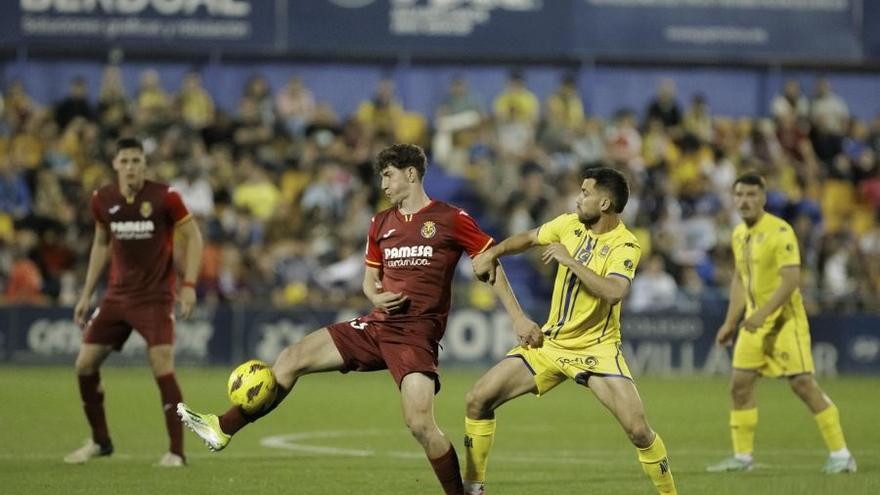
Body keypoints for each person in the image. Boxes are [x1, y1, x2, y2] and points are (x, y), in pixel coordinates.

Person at [177, 144, 542, 495]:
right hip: (376, 325)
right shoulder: (381, 222)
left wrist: (519, 319)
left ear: (411, 174)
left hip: (415, 335)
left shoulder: (450, 218)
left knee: (419, 424)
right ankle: (222, 427)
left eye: (388, 175)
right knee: (290, 359)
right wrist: (375, 295)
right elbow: (370, 280)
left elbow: (489, 265)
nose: (383, 184)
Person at [467, 167, 677, 495]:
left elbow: (614, 292)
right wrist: (493, 252)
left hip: (596, 349)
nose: (577, 198)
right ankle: (474, 488)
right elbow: (529, 238)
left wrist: (570, 261)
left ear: (605, 203)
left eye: (584, 193)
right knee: (478, 399)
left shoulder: (626, 245)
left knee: (638, 430)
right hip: (551, 344)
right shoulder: (568, 224)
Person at [64, 137, 203, 467]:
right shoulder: (103, 199)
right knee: (84, 365)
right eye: (124, 161)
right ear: (115, 164)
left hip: (154, 298)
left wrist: (189, 285)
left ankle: (176, 453)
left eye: (136, 161)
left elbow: (194, 237)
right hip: (116, 297)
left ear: (144, 164)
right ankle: (101, 442)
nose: (131, 167)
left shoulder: (165, 197)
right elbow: (101, 245)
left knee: (162, 367)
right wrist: (86, 295)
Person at [707, 173, 857, 474]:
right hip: (752, 322)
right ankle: (742, 458)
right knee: (739, 385)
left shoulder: (780, 231)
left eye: (751, 195)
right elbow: (739, 278)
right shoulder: (739, 234)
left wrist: (762, 314)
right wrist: (729, 322)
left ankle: (842, 455)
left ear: (763, 198)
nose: (744, 201)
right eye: (739, 195)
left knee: (802, 384)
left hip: (784, 321)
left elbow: (790, 281)